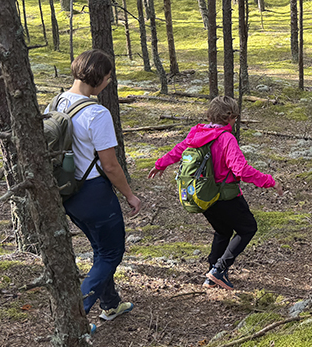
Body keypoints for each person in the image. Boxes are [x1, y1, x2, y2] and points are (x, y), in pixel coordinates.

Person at [46, 49, 142, 328]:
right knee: (111, 254)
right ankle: (76, 319)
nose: (109, 83)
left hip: (68, 193)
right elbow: (110, 165)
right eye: (109, 78)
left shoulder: (56, 102)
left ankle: (111, 304)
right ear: (99, 79)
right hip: (94, 193)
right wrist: (130, 195)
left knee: (102, 250)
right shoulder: (97, 113)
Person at [149, 96, 283, 290]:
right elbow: (241, 170)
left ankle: (212, 272)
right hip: (226, 197)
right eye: (235, 117)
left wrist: (160, 164)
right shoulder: (226, 138)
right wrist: (270, 182)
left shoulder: (197, 133)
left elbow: (179, 149)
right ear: (230, 117)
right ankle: (218, 270)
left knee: (223, 230)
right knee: (248, 228)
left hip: (202, 196)